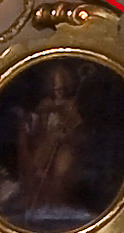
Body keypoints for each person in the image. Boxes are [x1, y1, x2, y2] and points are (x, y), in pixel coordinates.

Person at [14, 62, 85, 223]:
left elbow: (76, 129)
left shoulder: (71, 106)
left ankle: (58, 204)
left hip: (64, 146)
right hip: (46, 143)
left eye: (61, 89)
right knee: (38, 169)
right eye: (55, 89)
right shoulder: (45, 105)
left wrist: (66, 134)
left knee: (60, 172)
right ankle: (42, 204)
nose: (58, 92)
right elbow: (37, 124)